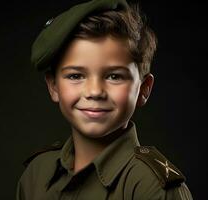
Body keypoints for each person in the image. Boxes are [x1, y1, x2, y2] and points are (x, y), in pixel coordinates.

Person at [16, 0, 193, 199]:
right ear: (53, 86)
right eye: (75, 76)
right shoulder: (37, 174)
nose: (95, 91)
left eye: (114, 76)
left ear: (144, 89)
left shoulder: (153, 188)